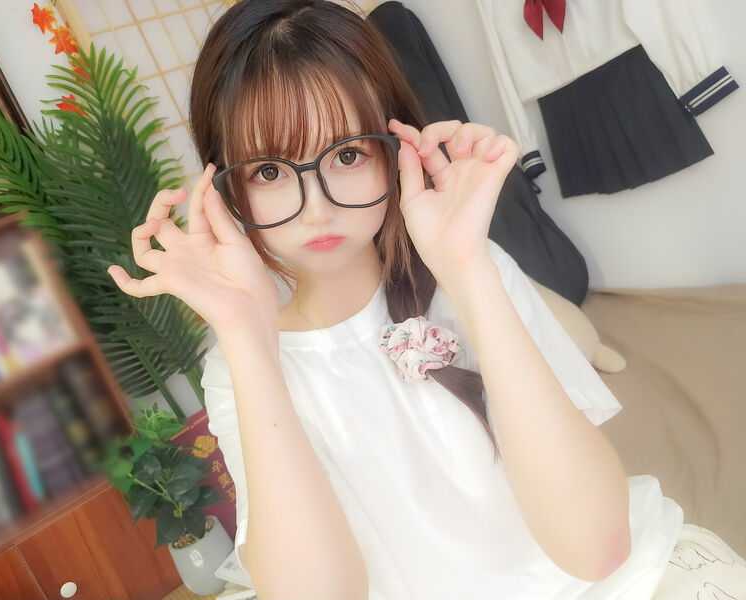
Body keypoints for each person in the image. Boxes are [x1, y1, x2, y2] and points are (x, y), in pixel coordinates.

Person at [106, 1, 746, 598]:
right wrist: (246, 338)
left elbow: (597, 549)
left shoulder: (470, 273)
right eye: (270, 171)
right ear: (224, 188)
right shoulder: (240, 362)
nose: (318, 205)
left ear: (395, 149)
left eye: (348, 154)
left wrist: (469, 268)